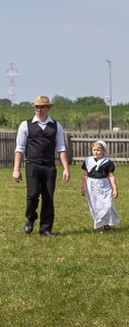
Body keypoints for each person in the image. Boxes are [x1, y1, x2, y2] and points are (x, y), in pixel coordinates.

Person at [13, 95, 70, 236]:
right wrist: (16, 169)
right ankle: (30, 217)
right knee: (32, 195)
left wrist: (66, 168)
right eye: (36, 107)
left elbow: (61, 148)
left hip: (49, 166)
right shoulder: (25, 125)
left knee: (48, 197)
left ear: (48, 108)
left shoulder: (56, 126)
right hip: (32, 165)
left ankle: (45, 228)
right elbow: (19, 148)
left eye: (42, 107)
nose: (38, 109)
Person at [80, 140, 119, 233]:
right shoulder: (88, 161)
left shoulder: (107, 162)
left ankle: (107, 222)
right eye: (94, 150)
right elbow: (85, 175)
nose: (96, 152)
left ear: (104, 151)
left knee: (107, 205)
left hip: (104, 185)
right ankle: (102, 225)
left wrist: (115, 189)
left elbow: (111, 176)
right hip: (91, 185)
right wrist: (83, 187)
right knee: (95, 206)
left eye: (98, 150)